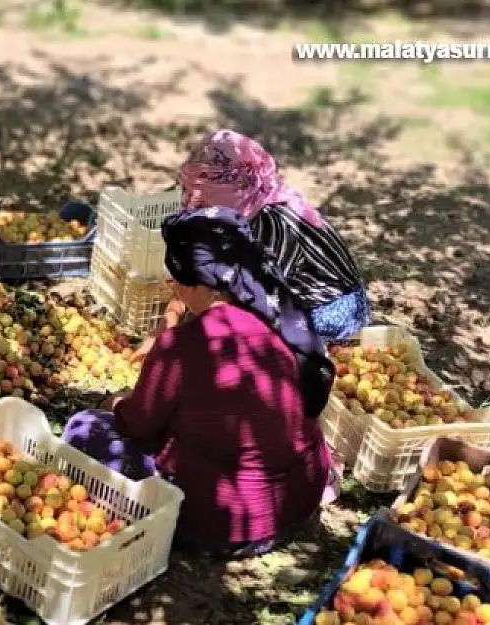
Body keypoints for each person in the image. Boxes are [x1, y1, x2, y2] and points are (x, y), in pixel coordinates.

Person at [62, 206, 336, 556]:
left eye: (174, 276)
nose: (171, 284)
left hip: (225, 524)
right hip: (298, 501)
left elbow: (139, 425)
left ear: (198, 284)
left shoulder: (184, 346)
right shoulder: (279, 318)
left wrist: (115, 402)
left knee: (84, 427)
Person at [136, 130, 369, 359]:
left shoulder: (275, 223)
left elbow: (260, 298)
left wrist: (190, 336)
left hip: (325, 307)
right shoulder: (239, 209)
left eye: (206, 200)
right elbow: (195, 268)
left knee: (243, 349)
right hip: (279, 293)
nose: (195, 204)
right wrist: (169, 320)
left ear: (233, 193)